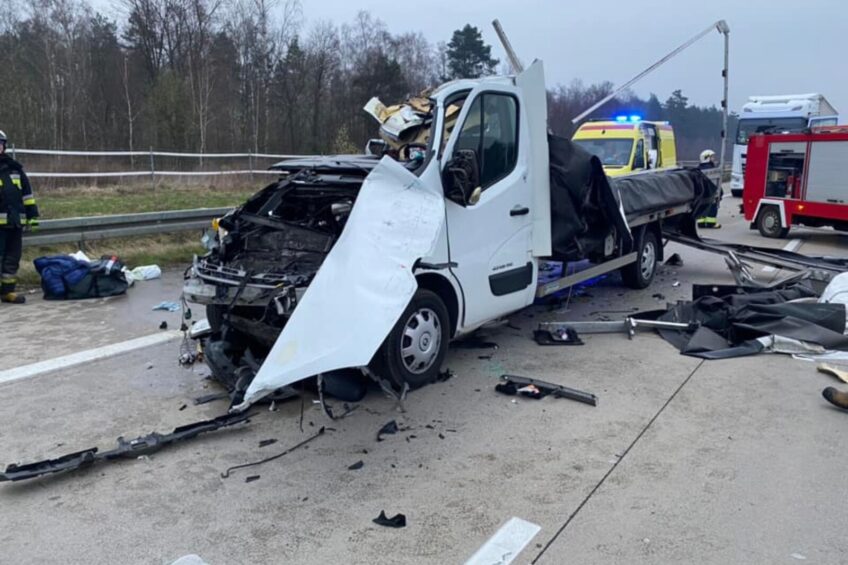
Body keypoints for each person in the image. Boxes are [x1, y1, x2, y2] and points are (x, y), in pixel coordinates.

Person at [0, 130, 39, 304]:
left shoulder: (14, 168)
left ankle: (7, 292)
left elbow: (27, 195)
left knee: (12, 258)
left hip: (15, 223)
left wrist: (32, 216)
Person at [696, 149, 721, 229]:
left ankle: (701, 223)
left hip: (700, 193)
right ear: (707, 158)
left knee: (701, 207)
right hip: (711, 193)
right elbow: (715, 182)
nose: (713, 159)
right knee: (712, 207)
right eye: (712, 157)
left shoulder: (698, 169)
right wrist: (720, 193)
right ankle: (711, 223)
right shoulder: (712, 169)